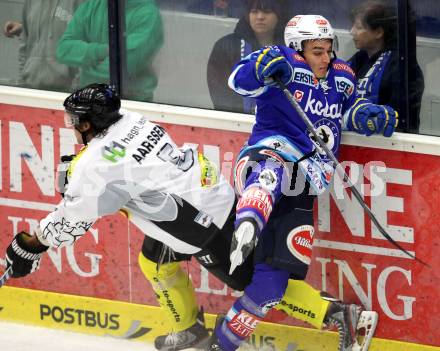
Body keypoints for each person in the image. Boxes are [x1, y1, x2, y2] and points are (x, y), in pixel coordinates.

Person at [3, 83, 377, 351]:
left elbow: (72, 217)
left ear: (87, 123)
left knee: (257, 285)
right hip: (210, 198)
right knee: (153, 261)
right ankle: (189, 328)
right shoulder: (132, 120)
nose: (72, 127)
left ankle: (338, 314)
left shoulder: (95, 165)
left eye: (74, 121)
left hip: (198, 227)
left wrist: (29, 246)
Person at [206, 14, 398, 351]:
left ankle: (221, 345)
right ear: (298, 48)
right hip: (269, 153)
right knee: (272, 170)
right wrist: (260, 69)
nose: (326, 58)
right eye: (317, 51)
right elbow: (238, 81)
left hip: (307, 183)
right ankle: (249, 219)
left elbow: (347, 109)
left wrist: (367, 115)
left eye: (329, 50)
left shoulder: (342, 75)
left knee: (271, 288)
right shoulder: (281, 62)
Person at [56, 0, 163, 102]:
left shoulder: (148, 14)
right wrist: (102, 51)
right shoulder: (92, 5)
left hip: (131, 104)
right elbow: (63, 50)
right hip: (88, 101)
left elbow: (120, 70)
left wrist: (85, 62)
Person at [348, 0, 424, 133]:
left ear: (378, 32)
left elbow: (398, 119)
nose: (352, 31)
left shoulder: (401, 66)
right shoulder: (360, 59)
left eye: (359, 27)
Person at [207, 0, 289, 113]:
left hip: (277, 124)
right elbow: (219, 92)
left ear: (278, 15)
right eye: (254, 11)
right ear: (247, 15)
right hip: (235, 122)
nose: (260, 17)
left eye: (267, 12)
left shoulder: (290, 49)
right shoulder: (225, 45)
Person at [2, 0, 83, 91]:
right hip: (30, 89)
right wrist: (22, 81)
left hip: (64, 93)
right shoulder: (30, 3)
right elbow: (24, 46)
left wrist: (75, 90)